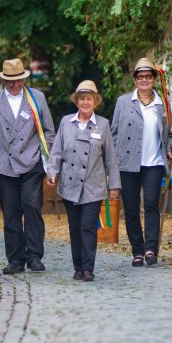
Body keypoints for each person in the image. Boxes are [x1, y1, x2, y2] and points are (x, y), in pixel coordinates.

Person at [0, 59, 55, 274]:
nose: (14, 84)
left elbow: (49, 131)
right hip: (3, 165)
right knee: (10, 213)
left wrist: (48, 160)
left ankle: (34, 256)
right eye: (10, 81)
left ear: (23, 78)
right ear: (4, 80)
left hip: (31, 162)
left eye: (18, 80)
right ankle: (15, 259)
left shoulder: (36, 98)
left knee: (31, 207)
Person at [46, 80, 120, 282]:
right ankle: (78, 267)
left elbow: (110, 158)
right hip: (69, 185)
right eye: (82, 99)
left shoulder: (103, 124)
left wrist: (114, 185)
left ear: (95, 102)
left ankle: (88, 268)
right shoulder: (66, 122)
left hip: (93, 185)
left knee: (88, 226)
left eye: (89, 99)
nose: (85, 102)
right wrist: (52, 172)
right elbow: (57, 151)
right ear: (76, 101)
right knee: (74, 227)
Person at [111, 58, 172, 267]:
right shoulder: (123, 102)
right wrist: (111, 162)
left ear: (154, 79)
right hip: (127, 163)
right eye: (140, 77)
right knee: (130, 209)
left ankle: (150, 249)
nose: (144, 80)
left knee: (151, 206)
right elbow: (113, 133)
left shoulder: (162, 104)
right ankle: (137, 251)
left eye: (148, 76)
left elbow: (168, 134)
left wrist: (170, 149)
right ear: (135, 79)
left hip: (154, 163)